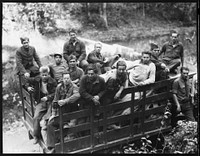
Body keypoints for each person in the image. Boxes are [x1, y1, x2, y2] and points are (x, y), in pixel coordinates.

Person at [44, 71, 80, 152]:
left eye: (68, 78)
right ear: (62, 79)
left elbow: (77, 95)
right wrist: (53, 114)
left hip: (72, 113)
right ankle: (51, 147)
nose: (66, 80)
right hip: (62, 113)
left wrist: (65, 101)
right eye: (65, 78)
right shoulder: (59, 87)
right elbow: (55, 101)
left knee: (69, 128)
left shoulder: (74, 87)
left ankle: (63, 144)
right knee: (50, 124)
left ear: (70, 79)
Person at [24, 66, 57, 144]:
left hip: (50, 102)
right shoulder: (37, 79)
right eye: (43, 75)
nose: (44, 77)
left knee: (48, 119)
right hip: (41, 102)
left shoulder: (53, 82)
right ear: (40, 74)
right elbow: (27, 80)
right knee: (36, 117)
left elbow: (55, 93)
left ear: (48, 74)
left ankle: (50, 139)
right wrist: (28, 86)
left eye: (46, 75)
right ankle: (36, 136)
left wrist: (48, 97)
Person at [77, 64, 106, 135]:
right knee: (82, 123)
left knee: (95, 123)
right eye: (88, 74)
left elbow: (104, 90)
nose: (90, 76)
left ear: (96, 73)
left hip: (96, 105)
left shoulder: (101, 80)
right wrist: (92, 98)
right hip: (85, 104)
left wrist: (99, 96)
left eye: (92, 74)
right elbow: (82, 91)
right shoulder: (84, 79)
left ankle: (94, 139)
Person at [102, 60, 128, 129]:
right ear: (116, 68)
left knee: (120, 105)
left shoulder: (124, 74)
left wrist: (119, 92)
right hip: (106, 92)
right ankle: (108, 124)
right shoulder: (112, 76)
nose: (121, 71)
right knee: (107, 107)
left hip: (114, 92)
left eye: (123, 69)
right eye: (120, 69)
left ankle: (111, 122)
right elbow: (103, 85)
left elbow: (123, 84)